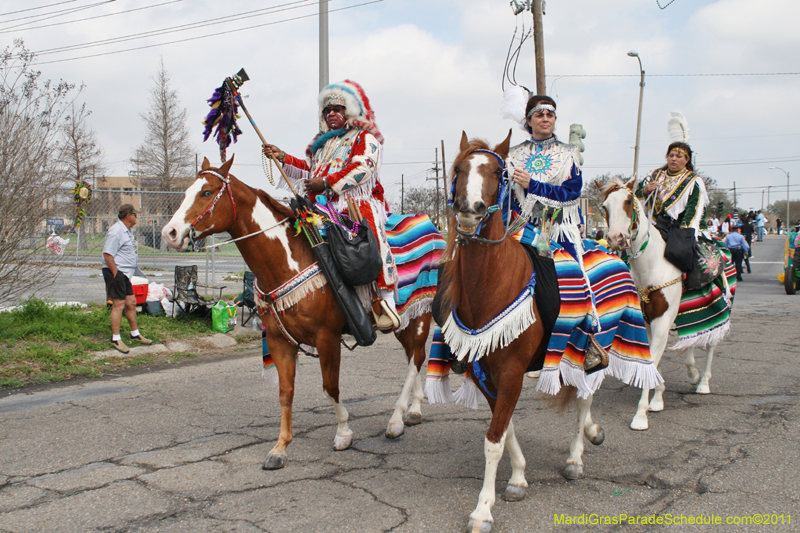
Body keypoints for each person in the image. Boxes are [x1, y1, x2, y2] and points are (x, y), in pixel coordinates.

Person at [262, 80, 400, 331]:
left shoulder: (364, 137)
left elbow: (364, 168)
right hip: (322, 206)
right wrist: (283, 156)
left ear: (348, 113)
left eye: (337, 109)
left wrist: (326, 183)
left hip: (354, 201)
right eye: (327, 111)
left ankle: (385, 298)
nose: (332, 114)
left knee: (370, 231)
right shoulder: (321, 146)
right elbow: (309, 170)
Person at [635, 141, 709, 273]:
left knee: (682, 254)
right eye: (671, 155)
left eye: (679, 156)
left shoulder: (693, 181)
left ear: (687, 160)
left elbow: (693, 208)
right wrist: (645, 190)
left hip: (678, 228)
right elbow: (636, 198)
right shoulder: (655, 175)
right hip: (654, 226)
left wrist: (684, 232)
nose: (674, 159)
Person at [102, 204, 151, 353]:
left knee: (131, 302)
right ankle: (115, 338)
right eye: (135, 214)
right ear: (128, 216)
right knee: (119, 304)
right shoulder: (116, 231)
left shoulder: (128, 231)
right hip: (116, 272)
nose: (137, 217)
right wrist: (116, 274)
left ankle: (134, 334)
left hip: (125, 273)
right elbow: (107, 254)